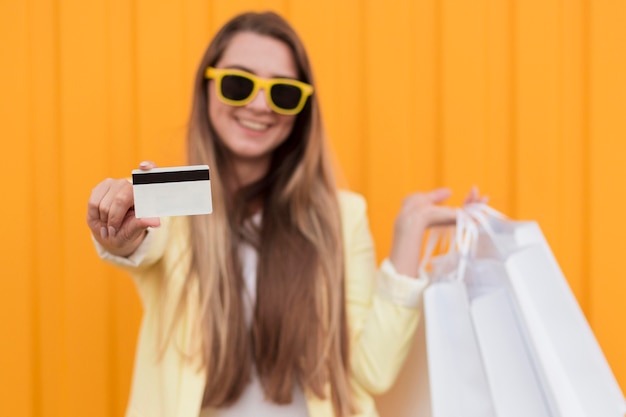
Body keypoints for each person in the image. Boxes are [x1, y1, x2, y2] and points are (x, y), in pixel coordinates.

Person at [86, 10, 483, 417]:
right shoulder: (173, 199)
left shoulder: (341, 216)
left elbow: (372, 372)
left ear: (301, 111)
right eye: (239, 84)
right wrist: (118, 230)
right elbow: (140, 240)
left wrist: (408, 236)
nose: (260, 105)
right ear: (206, 88)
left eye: (284, 93)